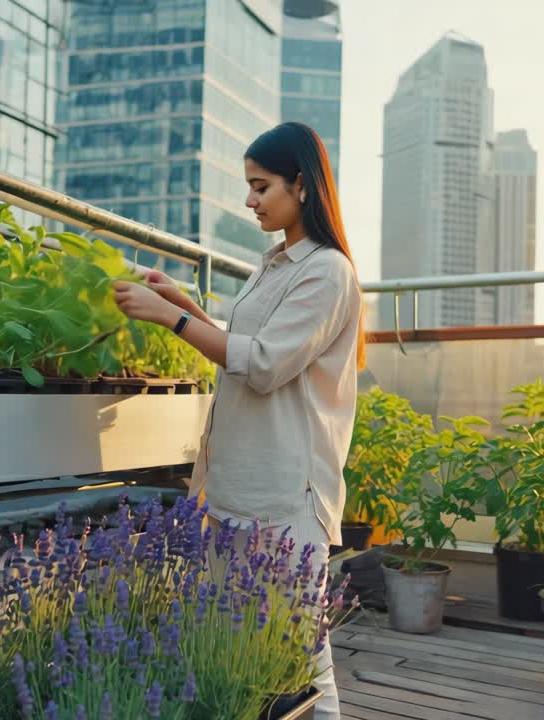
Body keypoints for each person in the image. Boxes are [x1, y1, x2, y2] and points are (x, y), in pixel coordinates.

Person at [113, 121, 364, 719]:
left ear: (301, 185)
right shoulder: (275, 264)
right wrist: (183, 303)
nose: (249, 200)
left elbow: (266, 364)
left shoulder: (327, 271)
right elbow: (245, 342)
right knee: (251, 649)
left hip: (285, 492)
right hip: (243, 485)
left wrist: (168, 321)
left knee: (301, 657)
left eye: (260, 186)